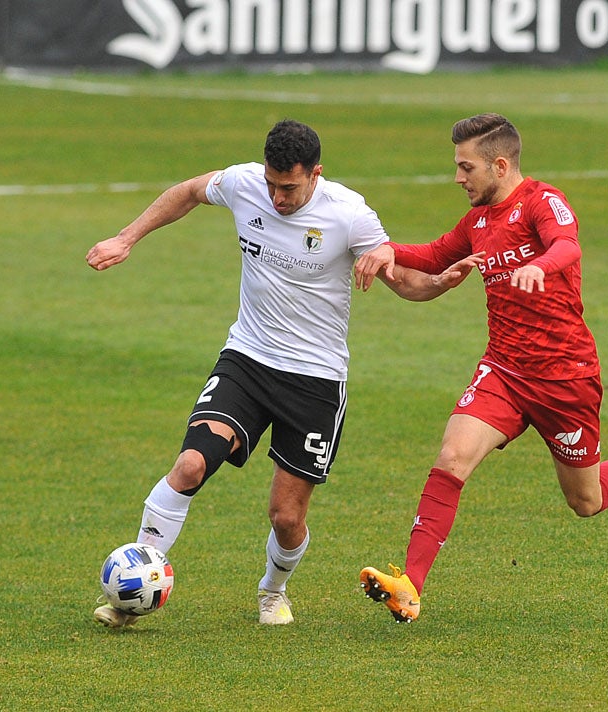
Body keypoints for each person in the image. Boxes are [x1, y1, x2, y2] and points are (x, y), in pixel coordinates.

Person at [86, 119, 481, 627]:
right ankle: (133, 593)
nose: (276, 197)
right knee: (189, 466)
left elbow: (402, 280)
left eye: (289, 188)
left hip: (315, 380)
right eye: (271, 184)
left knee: (287, 517)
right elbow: (187, 192)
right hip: (247, 361)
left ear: (316, 174)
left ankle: (272, 591)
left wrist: (439, 284)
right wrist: (127, 238)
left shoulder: (349, 214)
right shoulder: (243, 183)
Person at [353, 113, 608, 623]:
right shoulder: (479, 220)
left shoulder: (543, 202)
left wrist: (538, 266)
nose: (458, 178)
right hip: (503, 368)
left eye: (466, 167)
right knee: (452, 457)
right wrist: (388, 249)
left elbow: (567, 246)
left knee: (585, 501)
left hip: (565, 376)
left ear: (499, 165)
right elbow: (435, 255)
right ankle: (410, 585)